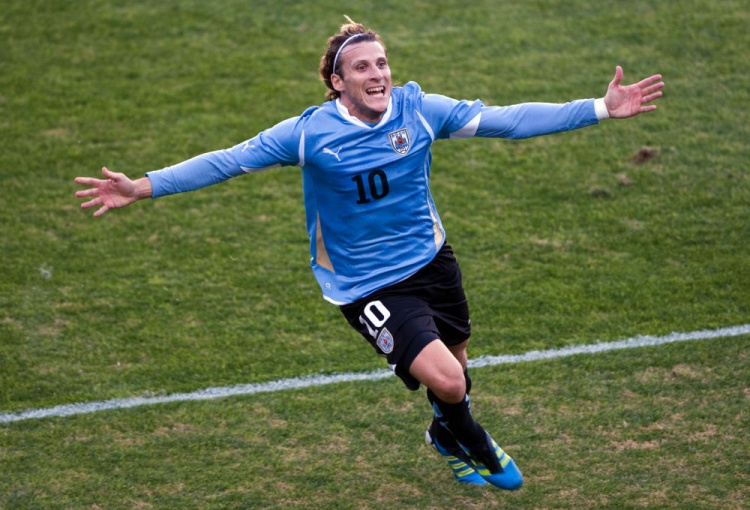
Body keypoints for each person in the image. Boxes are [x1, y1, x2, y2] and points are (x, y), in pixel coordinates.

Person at [75, 17, 664, 490]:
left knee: (458, 372)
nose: (377, 73)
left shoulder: (418, 110)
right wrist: (142, 186)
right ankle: (476, 444)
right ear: (338, 83)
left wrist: (600, 107)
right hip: (365, 285)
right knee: (449, 382)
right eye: (362, 67)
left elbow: (507, 122)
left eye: (382, 63)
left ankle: (443, 437)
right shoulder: (309, 134)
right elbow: (228, 161)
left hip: (432, 260)